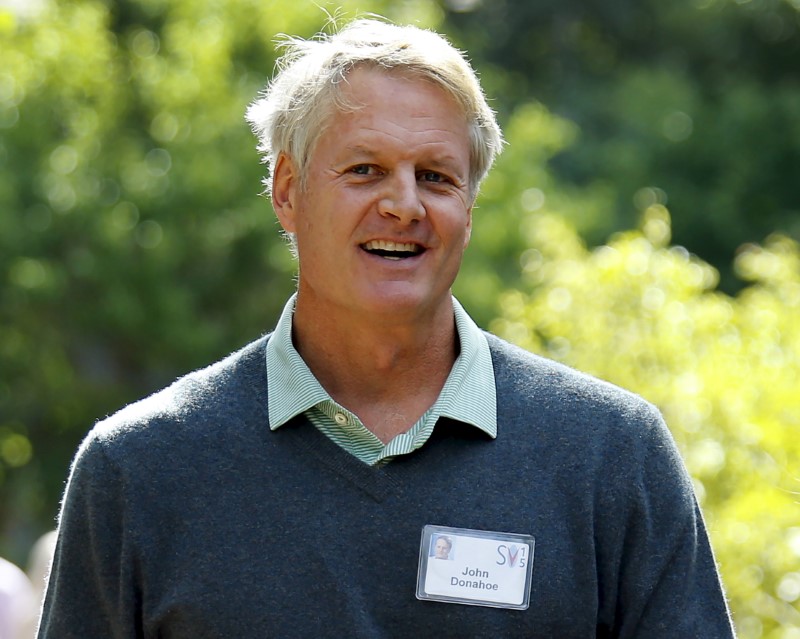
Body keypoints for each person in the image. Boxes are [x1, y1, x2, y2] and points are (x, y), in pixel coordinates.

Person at [37, 17, 736, 638]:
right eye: (365, 170)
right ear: (287, 191)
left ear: (470, 203)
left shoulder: (612, 458)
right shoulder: (138, 470)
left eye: (435, 176)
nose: (403, 204)